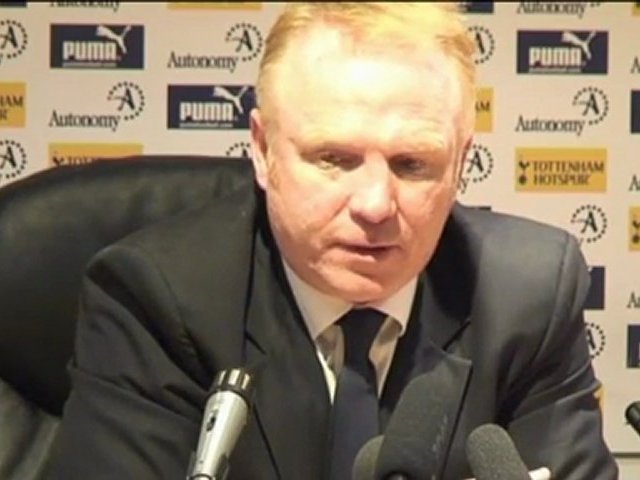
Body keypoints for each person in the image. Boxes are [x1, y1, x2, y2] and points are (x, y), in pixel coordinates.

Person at [46, 3, 617, 479]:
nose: (375, 204)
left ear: (461, 163)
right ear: (262, 150)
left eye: (412, 164)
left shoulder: (528, 294)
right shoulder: (158, 297)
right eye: (334, 159)